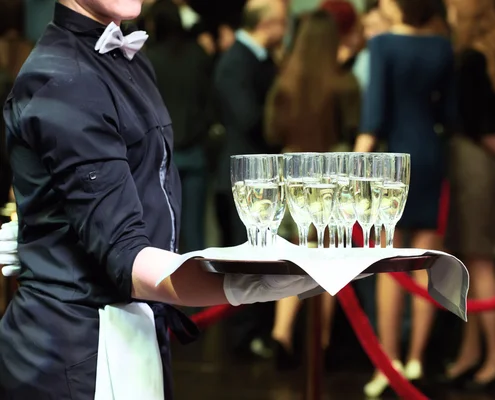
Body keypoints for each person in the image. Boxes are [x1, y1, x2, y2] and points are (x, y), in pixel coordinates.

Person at [0, 1, 317, 398]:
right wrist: (256, 281)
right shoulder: (63, 77)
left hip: (133, 331)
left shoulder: (128, 59)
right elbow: (127, 256)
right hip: (76, 350)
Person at [354, 0, 456, 396]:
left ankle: (388, 362)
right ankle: (416, 360)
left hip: (394, 160)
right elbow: (449, 112)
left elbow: (374, 117)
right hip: (432, 153)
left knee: (390, 264)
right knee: (425, 263)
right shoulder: (443, 47)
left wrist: (351, 168)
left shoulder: (383, 45)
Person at [264, 9, 361, 369]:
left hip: (291, 171)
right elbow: (354, 132)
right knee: (326, 261)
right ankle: (319, 342)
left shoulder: (284, 81)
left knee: (292, 259)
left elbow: (272, 133)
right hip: (331, 174)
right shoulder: (344, 83)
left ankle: (282, 332)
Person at [441, 0, 495, 390]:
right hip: (487, 163)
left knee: (477, 260)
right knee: (474, 261)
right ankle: (471, 351)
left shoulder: (472, 57)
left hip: (474, 161)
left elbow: (477, 123)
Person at [213, 0, 289, 360]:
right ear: (269, 23)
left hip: (258, 176)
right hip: (244, 179)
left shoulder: (254, 59)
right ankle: (244, 339)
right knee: (245, 261)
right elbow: (247, 118)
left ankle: (255, 332)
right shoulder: (236, 62)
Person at [145, 0, 217, 253]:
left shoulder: (147, 58)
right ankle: (197, 290)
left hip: (162, 156)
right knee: (195, 233)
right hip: (195, 151)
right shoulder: (198, 54)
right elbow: (210, 102)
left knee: (163, 231)